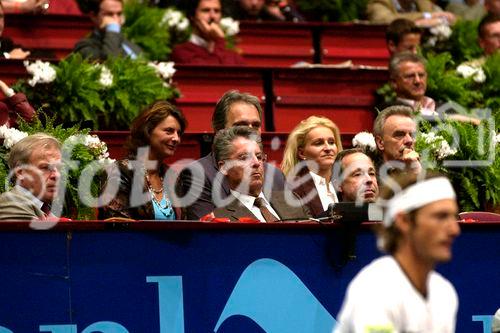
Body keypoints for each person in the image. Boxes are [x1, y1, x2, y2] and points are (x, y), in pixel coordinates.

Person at [334, 172, 460, 332]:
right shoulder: (376, 289)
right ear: (404, 221)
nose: (454, 230)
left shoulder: (443, 293)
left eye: (453, 217)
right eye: (440, 217)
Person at [177, 90, 286, 220]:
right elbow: (207, 232)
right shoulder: (199, 174)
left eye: (256, 125)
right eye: (241, 125)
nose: (250, 132)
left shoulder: (276, 175)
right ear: (219, 130)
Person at [99, 101, 186, 220]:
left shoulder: (173, 177)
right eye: (169, 131)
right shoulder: (120, 172)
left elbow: (185, 226)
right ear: (148, 132)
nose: (176, 138)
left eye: (179, 133)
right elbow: (118, 227)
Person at [212, 126, 309, 222]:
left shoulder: (292, 200)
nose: (256, 163)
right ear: (224, 167)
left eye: (259, 157)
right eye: (244, 158)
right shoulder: (219, 218)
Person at [388, 52, 481, 123]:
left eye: (421, 75)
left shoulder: (447, 108)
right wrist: (452, 119)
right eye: (409, 76)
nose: (417, 81)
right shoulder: (389, 110)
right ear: (394, 82)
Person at [281, 116, 343, 217]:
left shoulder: (345, 183)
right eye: (318, 143)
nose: (328, 148)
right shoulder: (293, 188)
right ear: (302, 153)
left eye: (331, 142)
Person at [0, 134, 61, 220]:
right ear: (21, 172)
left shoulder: (42, 208)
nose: (57, 175)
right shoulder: (12, 203)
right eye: (45, 167)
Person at [172, 0, 244, 65]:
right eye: (206, 10)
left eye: (217, 11)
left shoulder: (234, 57)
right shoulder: (182, 52)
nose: (213, 16)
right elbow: (210, 73)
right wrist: (219, 40)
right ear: (192, 17)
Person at [73, 0, 142, 61]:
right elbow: (112, 62)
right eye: (109, 14)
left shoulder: (127, 42)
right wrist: (112, 29)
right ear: (93, 16)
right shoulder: (85, 46)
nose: (116, 19)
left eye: (119, 14)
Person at [373, 105, 421, 175]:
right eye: (399, 135)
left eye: (412, 135)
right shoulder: (372, 179)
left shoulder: (431, 170)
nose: (409, 140)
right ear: (380, 143)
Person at [366, 0, 457, 26]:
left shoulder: (423, 2)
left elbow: (438, 15)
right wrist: (421, 19)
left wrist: (445, 18)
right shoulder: (379, 2)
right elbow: (383, 19)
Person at [223, 0, 304, 22]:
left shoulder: (272, 17)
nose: (254, 3)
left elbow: (303, 30)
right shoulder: (226, 16)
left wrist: (284, 10)